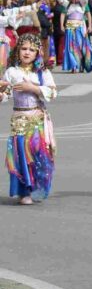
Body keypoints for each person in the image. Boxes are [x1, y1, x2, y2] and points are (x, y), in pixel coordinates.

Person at [0, 34, 58, 205]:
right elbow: (6, 94)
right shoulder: (11, 72)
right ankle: (24, 191)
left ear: (37, 53)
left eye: (31, 50)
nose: (27, 53)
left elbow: (53, 93)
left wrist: (32, 88)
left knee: (38, 156)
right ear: (17, 50)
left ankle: (36, 187)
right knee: (20, 156)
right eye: (24, 49)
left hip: (37, 120)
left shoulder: (43, 73)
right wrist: (2, 93)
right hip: (19, 120)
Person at [59, 0, 92, 73]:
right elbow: (63, 14)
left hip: (80, 28)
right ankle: (74, 66)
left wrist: (89, 25)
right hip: (70, 28)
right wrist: (61, 25)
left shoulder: (83, 4)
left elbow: (88, 14)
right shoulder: (67, 4)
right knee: (70, 47)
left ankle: (82, 65)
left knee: (81, 47)